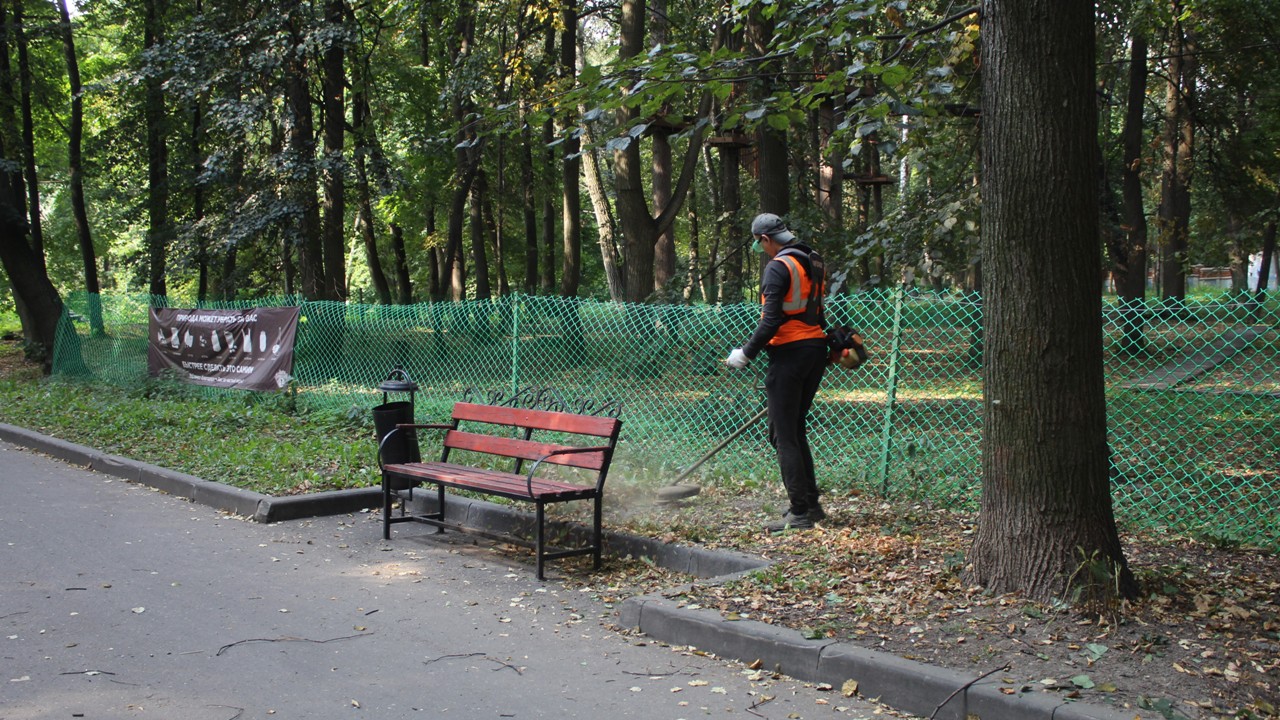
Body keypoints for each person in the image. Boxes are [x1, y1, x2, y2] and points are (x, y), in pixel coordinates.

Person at [726, 213, 828, 533]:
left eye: (760, 244)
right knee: (794, 431)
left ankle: (800, 513)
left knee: (782, 435)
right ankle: (811, 505)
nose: (761, 249)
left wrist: (744, 353)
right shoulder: (811, 259)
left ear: (765, 239)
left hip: (789, 356)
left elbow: (770, 321)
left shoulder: (777, 267)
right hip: (815, 351)